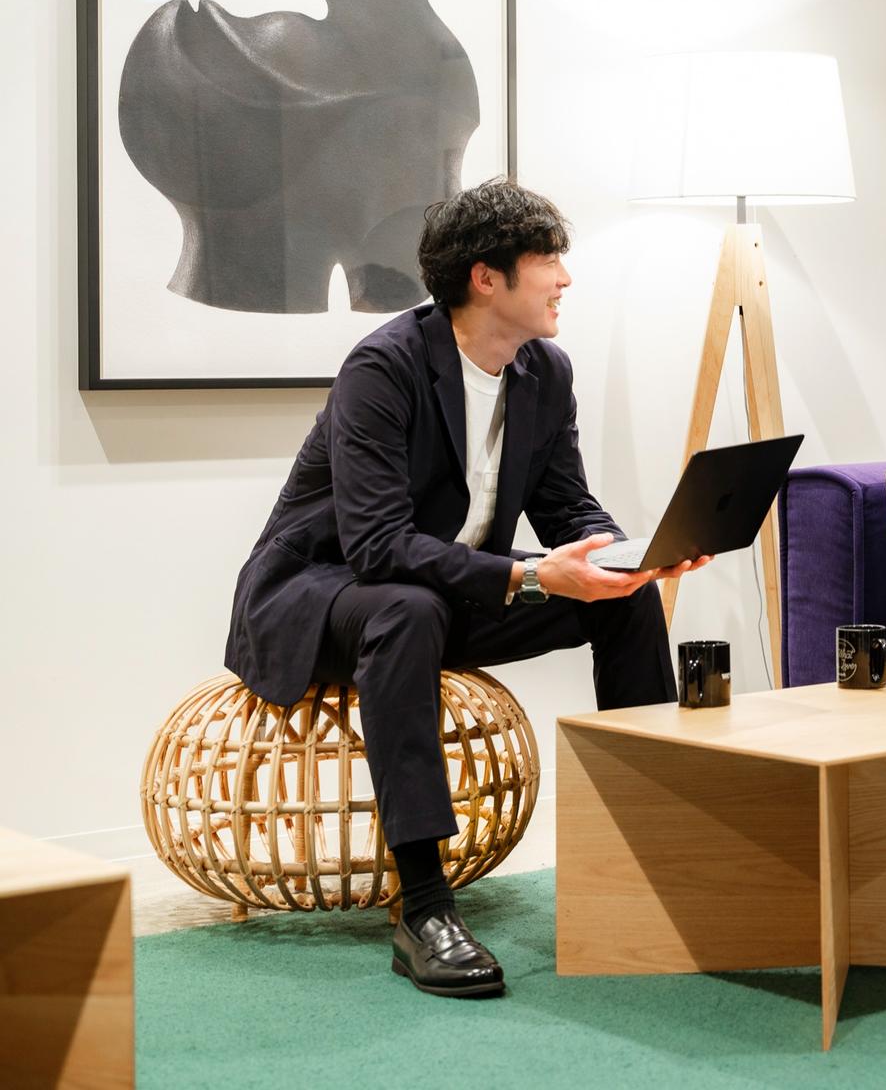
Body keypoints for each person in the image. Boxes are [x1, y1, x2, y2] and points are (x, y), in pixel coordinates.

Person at [224, 179, 709, 998]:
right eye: (548, 260)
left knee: (623, 602)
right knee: (407, 609)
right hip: (324, 592)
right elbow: (377, 546)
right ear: (486, 278)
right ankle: (424, 909)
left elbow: (566, 505)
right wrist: (529, 575)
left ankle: (650, 855)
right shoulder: (384, 367)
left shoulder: (544, 371)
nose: (565, 278)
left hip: (444, 592)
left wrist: (629, 556)